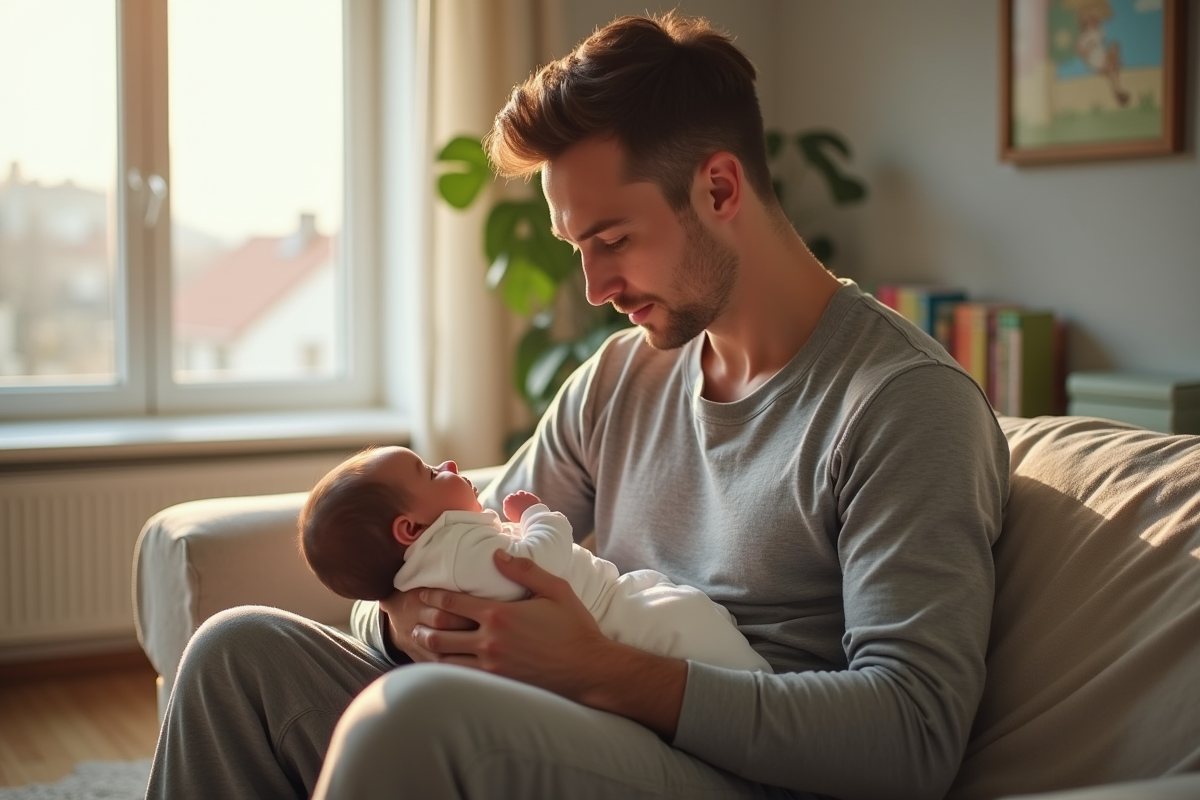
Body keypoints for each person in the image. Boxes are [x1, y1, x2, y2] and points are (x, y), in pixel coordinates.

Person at [145, 11, 1008, 800]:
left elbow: (913, 736)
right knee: (235, 653)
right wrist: (407, 620)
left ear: (718, 189)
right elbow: (450, 547)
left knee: (414, 719)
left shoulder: (903, 407)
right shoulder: (621, 379)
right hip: (586, 723)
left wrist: (605, 671)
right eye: (577, 248)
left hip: (736, 768)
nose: (594, 288)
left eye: (612, 240)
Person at [298, 445, 772, 673]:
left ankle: (752, 686)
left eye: (614, 241)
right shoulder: (609, 382)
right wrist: (396, 621)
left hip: (697, 709)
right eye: (430, 471)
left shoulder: (441, 544)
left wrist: (396, 600)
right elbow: (532, 555)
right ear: (410, 529)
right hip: (607, 633)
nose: (450, 466)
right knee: (242, 638)